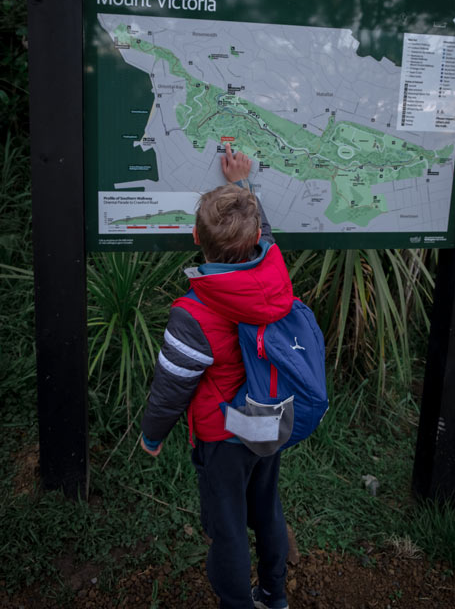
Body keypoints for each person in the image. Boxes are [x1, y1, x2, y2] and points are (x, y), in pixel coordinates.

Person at [140, 143, 292, 609]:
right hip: (269, 419)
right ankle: (273, 594)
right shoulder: (273, 272)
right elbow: (261, 231)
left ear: (193, 237)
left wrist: (151, 434)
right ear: (255, 242)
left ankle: (236, 604)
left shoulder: (195, 314)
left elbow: (171, 387)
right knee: (266, 510)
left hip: (224, 434)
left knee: (226, 529)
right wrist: (241, 187)